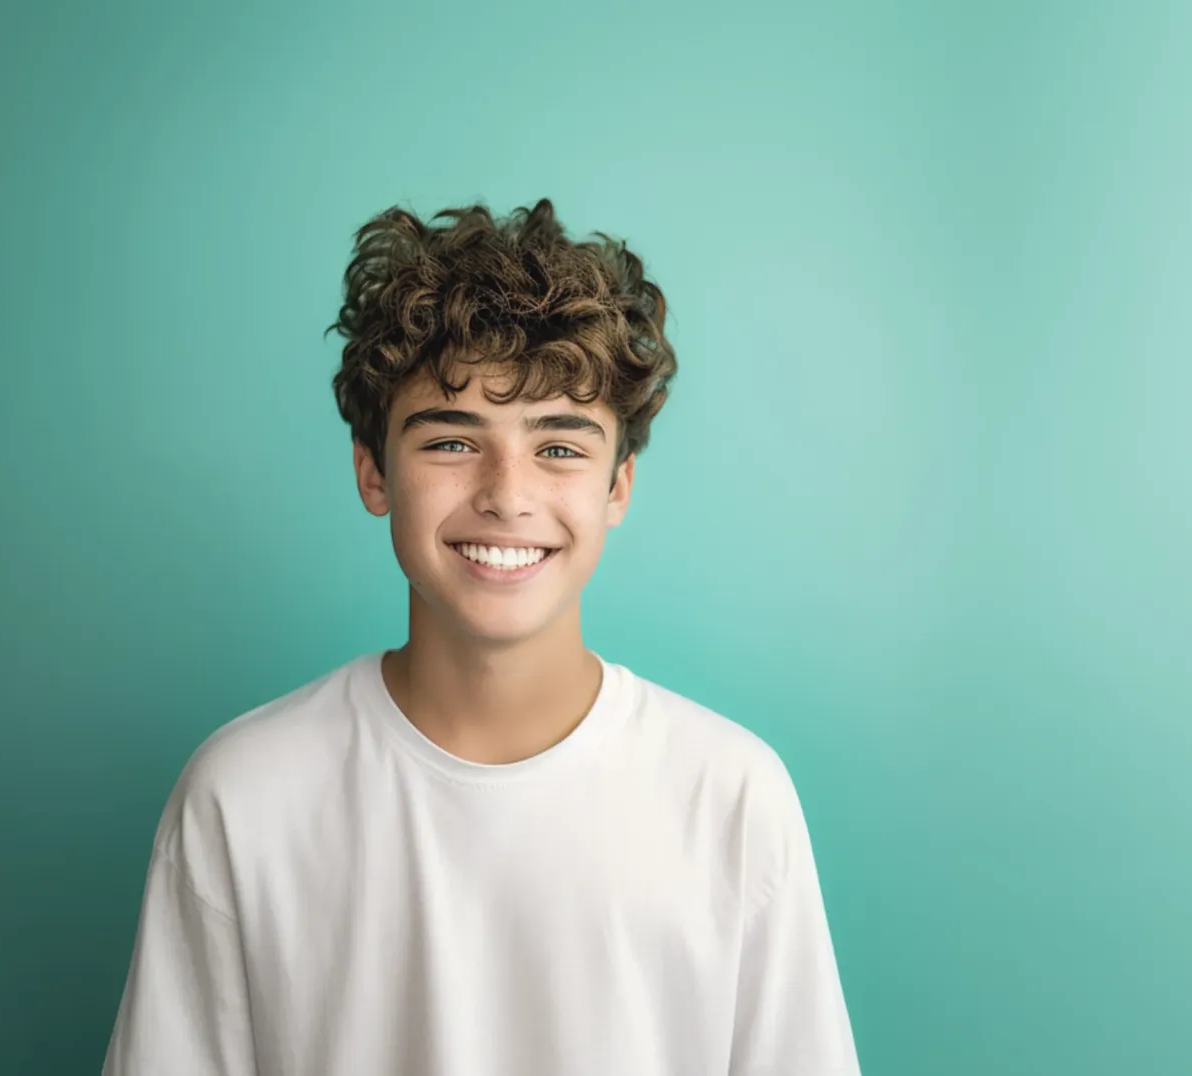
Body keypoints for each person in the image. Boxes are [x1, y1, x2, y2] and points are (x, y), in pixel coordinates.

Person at [101, 198, 860, 1075]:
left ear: (618, 486)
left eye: (560, 448)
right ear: (373, 472)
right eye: (453, 443)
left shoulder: (731, 798)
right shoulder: (243, 796)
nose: (507, 494)